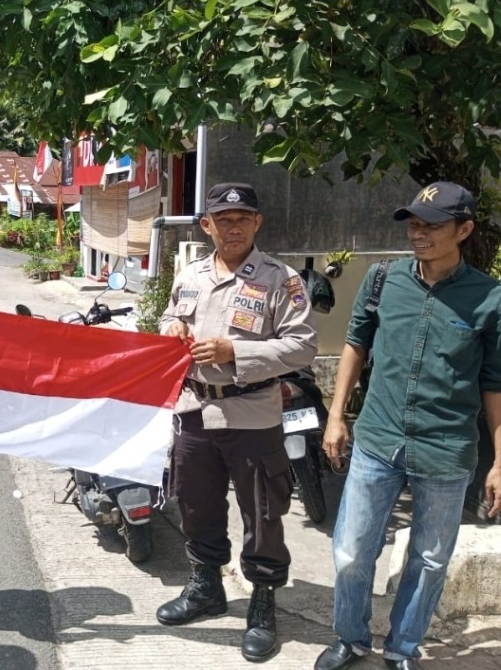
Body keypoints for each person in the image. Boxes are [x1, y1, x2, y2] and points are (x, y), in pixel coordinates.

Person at [314, 181, 501, 670]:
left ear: (464, 230)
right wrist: (337, 416)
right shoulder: (384, 279)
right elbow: (355, 346)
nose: (419, 234)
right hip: (379, 441)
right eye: (415, 224)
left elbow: (497, 381)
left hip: (446, 450)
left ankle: (402, 648)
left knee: (429, 559)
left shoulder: (491, 299)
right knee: (351, 551)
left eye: (433, 226)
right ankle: (352, 636)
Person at [156, 182, 318, 663]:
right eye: (222, 220)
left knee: (263, 511)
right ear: (207, 225)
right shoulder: (189, 276)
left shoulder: (281, 280)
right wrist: (171, 328)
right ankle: (206, 586)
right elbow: (169, 315)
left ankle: (263, 602)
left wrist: (235, 351)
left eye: (242, 218)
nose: (232, 227)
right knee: (195, 502)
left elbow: (303, 345)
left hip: (252, 414)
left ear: (256, 223)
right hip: (193, 411)